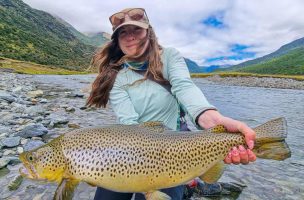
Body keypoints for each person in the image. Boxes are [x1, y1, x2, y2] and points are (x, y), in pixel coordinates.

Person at [86, 7, 256, 200]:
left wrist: (212, 119)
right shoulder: (116, 76)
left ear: (149, 33)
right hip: (132, 149)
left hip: (175, 149)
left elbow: (185, 88)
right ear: (117, 41)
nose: (130, 36)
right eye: (123, 33)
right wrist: (136, 172)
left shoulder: (169, 57)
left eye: (136, 30)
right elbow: (128, 123)